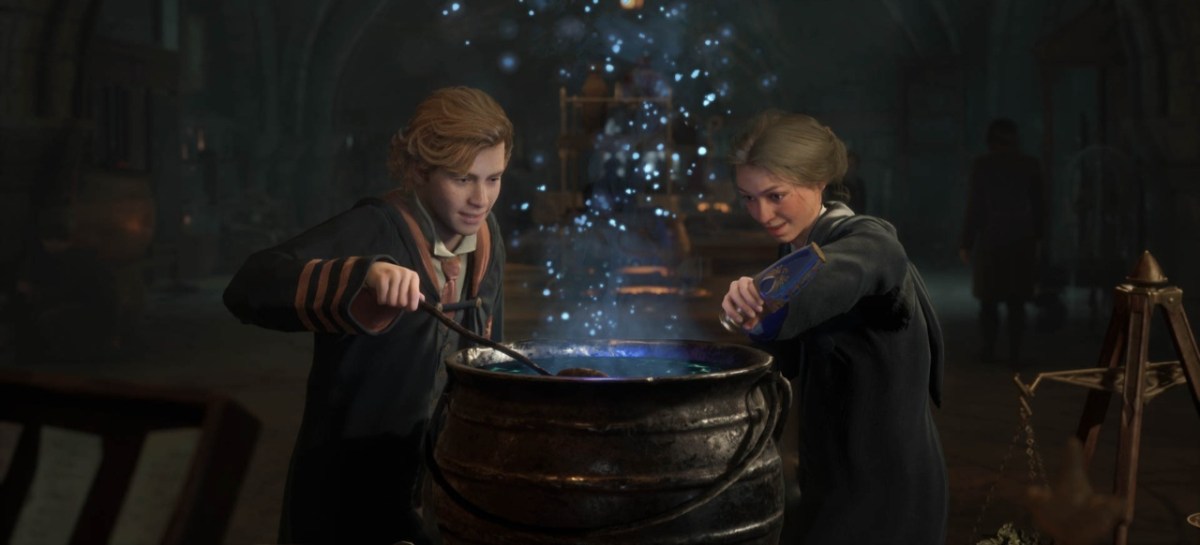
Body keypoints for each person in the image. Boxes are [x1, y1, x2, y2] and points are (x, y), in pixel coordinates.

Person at [223, 86, 513, 544]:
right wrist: (362, 275)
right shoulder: (375, 227)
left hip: (449, 478)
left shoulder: (488, 237)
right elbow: (248, 286)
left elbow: (491, 352)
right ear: (420, 170)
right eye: (462, 179)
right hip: (353, 483)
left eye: (493, 178)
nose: (481, 198)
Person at [720, 110, 947, 544]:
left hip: (886, 480)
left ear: (818, 181)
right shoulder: (797, 251)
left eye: (775, 195)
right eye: (748, 198)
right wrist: (756, 313)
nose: (762, 213)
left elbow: (833, 277)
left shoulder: (869, 240)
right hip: (832, 469)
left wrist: (767, 296)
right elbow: (787, 356)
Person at [958, 118, 1046, 364]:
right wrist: (1039, 238)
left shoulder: (983, 165)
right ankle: (1014, 352)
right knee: (1015, 302)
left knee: (990, 301)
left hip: (993, 240)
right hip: (1021, 241)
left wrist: (966, 242)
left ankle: (989, 350)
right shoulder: (1029, 165)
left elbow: (975, 207)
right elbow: (1039, 208)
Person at [822, 150, 867, 214]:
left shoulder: (860, 184)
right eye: (848, 165)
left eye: (852, 165)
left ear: (857, 166)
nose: (849, 168)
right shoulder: (836, 185)